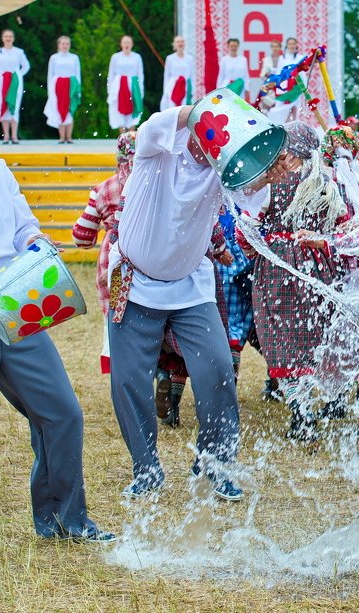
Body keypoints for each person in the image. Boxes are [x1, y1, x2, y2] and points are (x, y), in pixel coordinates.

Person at [0, 91, 113, 541]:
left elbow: (23, 226)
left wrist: (37, 244)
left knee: (63, 414)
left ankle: (64, 520)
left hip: (16, 317)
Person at [107, 104, 270, 501]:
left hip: (190, 285)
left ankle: (215, 464)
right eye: (211, 135)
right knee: (128, 380)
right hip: (131, 278)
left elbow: (252, 191)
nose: (213, 147)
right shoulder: (156, 146)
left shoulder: (222, 167)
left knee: (217, 370)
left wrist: (268, 168)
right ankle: (145, 470)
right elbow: (165, 122)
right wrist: (210, 107)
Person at [243, 122, 348, 425]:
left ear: (288, 150)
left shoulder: (272, 184)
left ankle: (300, 411)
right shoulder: (327, 182)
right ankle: (331, 399)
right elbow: (344, 225)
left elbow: (246, 228)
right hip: (319, 268)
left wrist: (258, 252)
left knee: (281, 337)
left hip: (279, 268)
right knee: (317, 333)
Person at [72, 131, 137, 373]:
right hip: (149, 256)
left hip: (113, 261)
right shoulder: (156, 181)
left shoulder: (104, 188)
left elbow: (82, 236)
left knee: (114, 315)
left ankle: (120, 370)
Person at [0, 29, 30, 144]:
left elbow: (26, 66)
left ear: (13, 38)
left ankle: (14, 136)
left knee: (14, 107)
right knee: (2, 106)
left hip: (14, 83)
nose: (8, 38)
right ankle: (6, 136)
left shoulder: (19, 52)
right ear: (2, 38)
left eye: (10, 36)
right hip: (0, 82)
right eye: (6, 36)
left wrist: (18, 75)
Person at [43, 36, 81, 144]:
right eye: (63, 44)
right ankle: (61, 137)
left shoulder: (74, 57)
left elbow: (78, 74)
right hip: (58, 86)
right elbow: (50, 74)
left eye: (67, 44)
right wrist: (49, 90)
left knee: (69, 110)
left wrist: (78, 90)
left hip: (71, 85)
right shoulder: (54, 57)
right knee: (59, 110)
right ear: (59, 45)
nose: (65, 46)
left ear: (69, 45)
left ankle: (69, 137)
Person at [107, 35, 144, 133]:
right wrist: (110, 89)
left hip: (133, 85)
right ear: (121, 44)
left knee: (133, 109)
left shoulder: (137, 57)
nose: (126, 44)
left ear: (132, 44)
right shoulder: (115, 57)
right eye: (125, 42)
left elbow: (140, 73)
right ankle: (123, 139)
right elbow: (111, 74)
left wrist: (141, 88)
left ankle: (131, 138)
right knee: (118, 110)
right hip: (118, 86)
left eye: (128, 42)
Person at [161, 36, 193, 111]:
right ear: (174, 44)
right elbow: (166, 75)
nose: (180, 43)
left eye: (182, 41)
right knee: (172, 107)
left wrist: (192, 90)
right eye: (178, 42)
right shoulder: (170, 58)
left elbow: (191, 76)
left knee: (184, 107)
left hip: (185, 85)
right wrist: (165, 90)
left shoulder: (189, 59)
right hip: (172, 86)